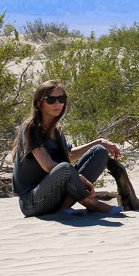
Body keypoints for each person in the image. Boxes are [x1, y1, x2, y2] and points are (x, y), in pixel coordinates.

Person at [12, 80, 123, 216]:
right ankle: (90, 204)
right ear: (39, 102)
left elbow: (69, 155)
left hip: (56, 196)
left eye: (61, 99)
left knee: (99, 151)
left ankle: (64, 206)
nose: (57, 103)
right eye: (51, 99)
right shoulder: (30, 128)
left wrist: (99, 142)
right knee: (65, 168)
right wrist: (78, 177)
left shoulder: (56, 129)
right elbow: (48, 165)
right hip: (33, 202)